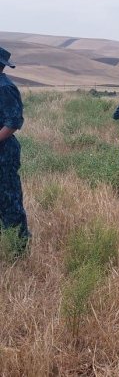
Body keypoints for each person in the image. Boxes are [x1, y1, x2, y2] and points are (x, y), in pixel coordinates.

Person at [0, 46, 30, 253]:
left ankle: (18, 250)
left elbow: (13, 122)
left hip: (3, 152)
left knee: (9, 200)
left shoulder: (5, 88)